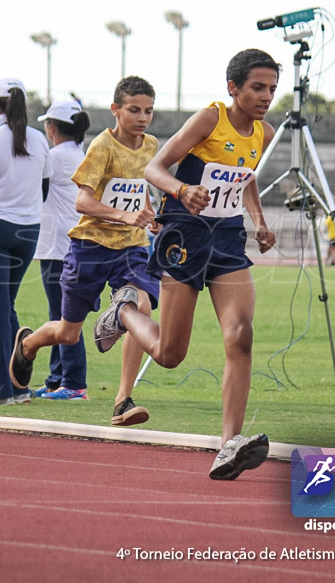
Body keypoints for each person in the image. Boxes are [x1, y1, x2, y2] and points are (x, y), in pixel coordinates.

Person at [92, 49, 280, 480]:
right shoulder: (209, 119)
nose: (266, 96)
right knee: (170, 354)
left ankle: (228, 444)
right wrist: (181, 190)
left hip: (228, 239)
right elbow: (155, 169)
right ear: (233, 87)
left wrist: (260, 223)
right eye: (257, 87)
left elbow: (245, 179)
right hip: (186, 235)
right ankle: (123, 311)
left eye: (271, 88)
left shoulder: (264, 133)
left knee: (241, 334)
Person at [9, 76, 159, 426]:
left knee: (142, 305)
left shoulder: (151, 146)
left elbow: (140, 189)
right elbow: (83, 200)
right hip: (90, 247)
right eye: (134, 110)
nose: (143, 118)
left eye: (148, 111)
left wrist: (150, 215)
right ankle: (29, 344)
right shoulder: (102, 148)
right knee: (68, 333)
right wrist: (124, 214)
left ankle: (123, 400)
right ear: (115, 110)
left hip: (131, 248)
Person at [0, 77, 50, 405]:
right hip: (28, 230)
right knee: (8, 306)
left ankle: (1, 390)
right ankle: (19, 385)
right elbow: (42, 191)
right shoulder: (40, 139)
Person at [32, 98, 92, 400]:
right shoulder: (78, 154)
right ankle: (58, 378)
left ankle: (73, 382)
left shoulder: (54, 156)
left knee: (64, 316)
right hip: (71, 243)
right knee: (61, 314)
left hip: (58, 245)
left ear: (51, 127)